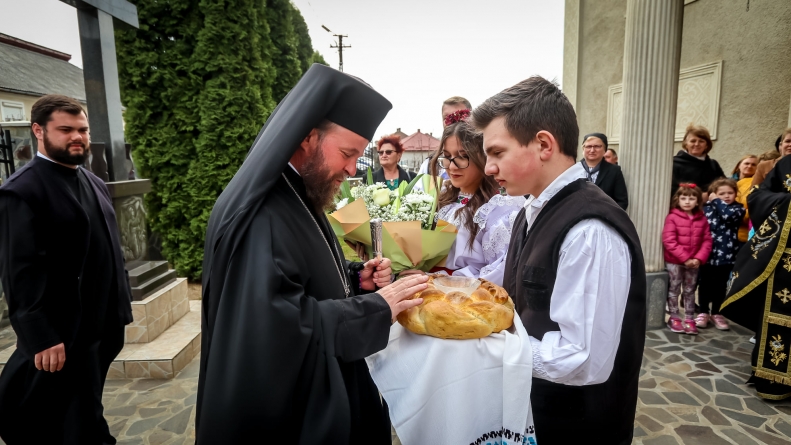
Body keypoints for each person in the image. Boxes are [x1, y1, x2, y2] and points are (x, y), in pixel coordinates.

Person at [195, 65, 430, 444]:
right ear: (307, 136)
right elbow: (274, 331)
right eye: (347, 153)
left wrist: (355, 277)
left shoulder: (299, 189)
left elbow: (299, 274)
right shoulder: (262, 216)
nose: (352, 168)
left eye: (359, 155)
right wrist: (377, 308)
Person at [473, 76, 646, 444]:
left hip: (577, 427)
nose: (488, 168)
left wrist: (484, 346)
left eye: (497, 153)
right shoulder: (530, 210)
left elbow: (582, 359)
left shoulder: (589, 230)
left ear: (543, 145)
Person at [0, 95, 133, 444]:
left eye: (83, 130)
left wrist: (121, 308)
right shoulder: (21, 191)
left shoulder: (93, 181)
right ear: (38, 130)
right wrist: (41, 336)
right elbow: (20, 273)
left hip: (103, 326)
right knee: (75, 420)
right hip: (65, 333)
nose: (77, 137)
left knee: (82, 408)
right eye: (65, 130)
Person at [722, 154, 791, 401]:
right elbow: (756, 197)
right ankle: (774, 380)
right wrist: (788, 203)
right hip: (783, 261)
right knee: (778, 318)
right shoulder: (786, 164)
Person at [429, 110, 524, 286]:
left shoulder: (500, 209)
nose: (452, 166)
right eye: (447, 157)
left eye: (463, 156)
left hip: (467, 294)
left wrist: (438, 280)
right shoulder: (442, 199)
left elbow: (498, 273)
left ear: (483, 156)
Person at [662, 184, 712, 335]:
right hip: (675, 262)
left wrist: (698, 258)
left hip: (694, 263)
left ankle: (690, 319)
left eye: (691, 198)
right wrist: (685, 258)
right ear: (677, 200)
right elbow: (669, 240)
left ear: (697, 201)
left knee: (690, 290)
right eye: (683, 198)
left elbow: (707, 240)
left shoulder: (702, 219)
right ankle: (674, 317)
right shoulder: (672, 217)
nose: (687, 202)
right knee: (674, 289)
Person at [696, 179, 744, 330]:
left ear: (736, 194)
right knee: (704, 283)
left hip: (727, 255)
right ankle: (703, 311)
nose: (726, 196)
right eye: (721, 193)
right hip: (707, 253)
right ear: (713, 194)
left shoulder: (738, 209)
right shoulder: (706, 209)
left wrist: (716, 201)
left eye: (730, 193)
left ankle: (717, 313)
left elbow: (727, 216)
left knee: (720, 285)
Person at [416, 96, 472, 179]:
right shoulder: (430, 165)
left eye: (457, 116)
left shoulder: (484, 159)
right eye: (447, 118)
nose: (451, 122)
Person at [671, 124, 725, 198]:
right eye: (693, 141)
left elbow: (723, 185)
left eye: (701, 141)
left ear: (706, 145)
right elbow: (672, 191)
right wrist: (699, 197)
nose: (697, 144)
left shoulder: (713, 164)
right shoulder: (674, 163)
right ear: (686, 144)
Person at [580, 132, 629, 210]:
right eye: (588, 146)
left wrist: (607, 215)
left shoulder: (614, 171)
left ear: (605, 150)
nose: (592, 150)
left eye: (597, 146)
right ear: (583, 149)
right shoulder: (573, 169)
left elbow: (622, 201)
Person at [733, 155, 758, 243]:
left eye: (753, 164)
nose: (749, 166)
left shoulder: (757, 185)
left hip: (745, 233)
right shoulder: (726, 182)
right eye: (747, 163)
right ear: (739, 166)